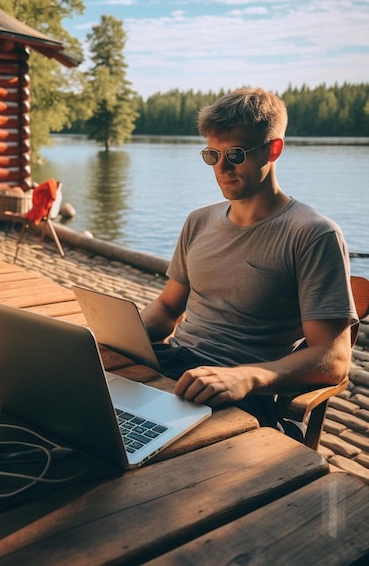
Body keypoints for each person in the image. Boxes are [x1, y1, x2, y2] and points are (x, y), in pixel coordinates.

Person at [141, 87, 357, 428]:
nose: (222, 168)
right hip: (172, 366)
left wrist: (246, 378)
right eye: (212, 155)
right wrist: (122, 334)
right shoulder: (199, 221)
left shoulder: (313, 234)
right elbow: (168, 308)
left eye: (236, 154)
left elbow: (334, 360)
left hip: (242, 395)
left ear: (274, 149)